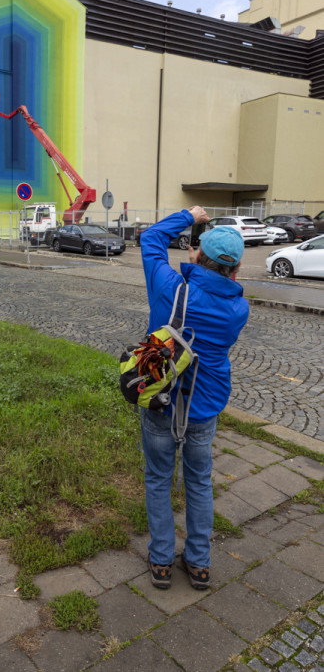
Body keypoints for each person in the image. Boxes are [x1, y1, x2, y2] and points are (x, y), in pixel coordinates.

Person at [139, 206, 249, 591]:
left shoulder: (171, 288)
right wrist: (202, 267)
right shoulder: (238, 309)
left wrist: (189, 215)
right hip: (204, 407)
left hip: (161, 399)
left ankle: (161, 562)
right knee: (199, 481)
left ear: (197, 256)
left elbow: (150, 238)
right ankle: (199, 564)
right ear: (235, 271)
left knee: (158, 479)